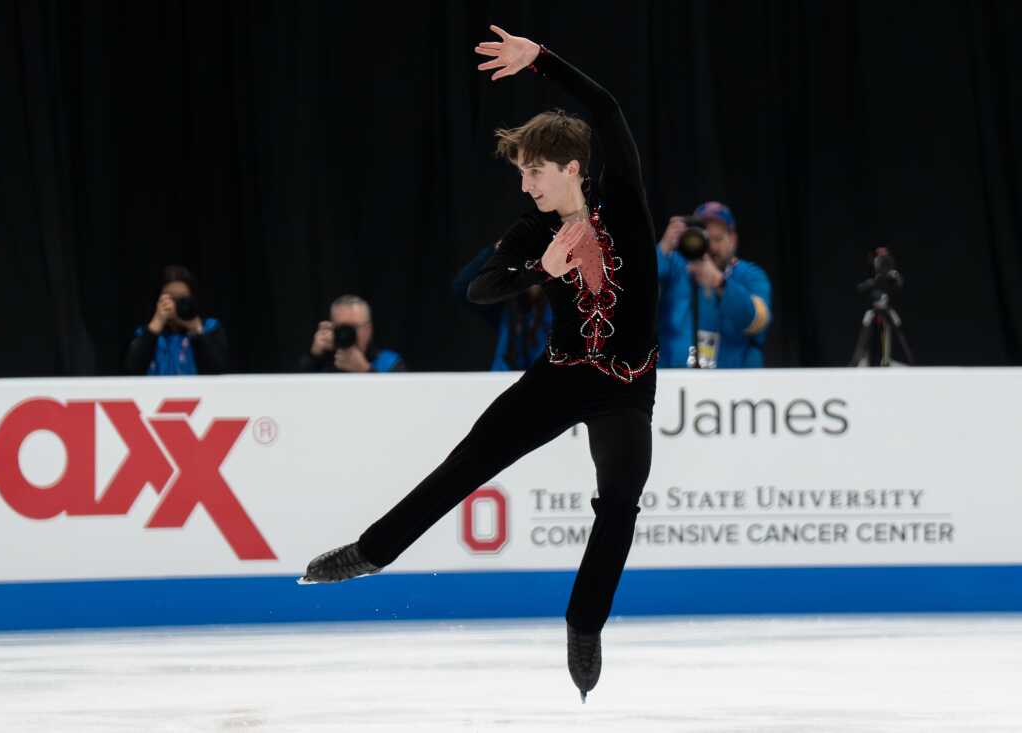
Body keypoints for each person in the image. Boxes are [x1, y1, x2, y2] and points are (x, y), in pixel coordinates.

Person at [299, 26, 659, 702]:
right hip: (560, 374)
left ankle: (584, 625)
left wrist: (544, 61)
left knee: (620, 500)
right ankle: (373, 551)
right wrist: (537, 268)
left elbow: (606, 108)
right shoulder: (532, 231)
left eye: (534, 171)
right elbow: (479, 287)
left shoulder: (625, 205)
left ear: (572, 167)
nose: (525, 186)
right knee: (467, 461)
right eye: (521, 174)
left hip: (626, 385)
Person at [656, 202, 771, 368]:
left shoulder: (751, 275)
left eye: (718, 239)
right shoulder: (676, 266)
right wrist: (663, 249)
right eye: (706, 239)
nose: (711, 247)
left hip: (732, 387)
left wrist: (719, 282)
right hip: (674, 381)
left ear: (733, 239)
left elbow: (757, 321)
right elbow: (635, 295)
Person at [452, 242, 552, 370]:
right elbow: (463, 288)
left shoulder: (565, 303)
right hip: (502, 383)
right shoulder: (506, 303)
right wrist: (497, 249)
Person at [124, 265, 229, 375]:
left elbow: (219, 370)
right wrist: (156, 324)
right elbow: (132, 370)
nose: (177, 304)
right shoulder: (145, 333)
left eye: (183, 299)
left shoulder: (209, 327)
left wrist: (197, 330)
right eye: (171, 298)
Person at [298, 295, 405, 373]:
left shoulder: (389, 362)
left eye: (354, 327)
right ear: (332, 328)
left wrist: (366, 371)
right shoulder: (321, 362)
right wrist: (313, 357)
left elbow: (400, 400)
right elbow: (293, 394)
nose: (347, 333)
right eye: (342, 328)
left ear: (368, 329)